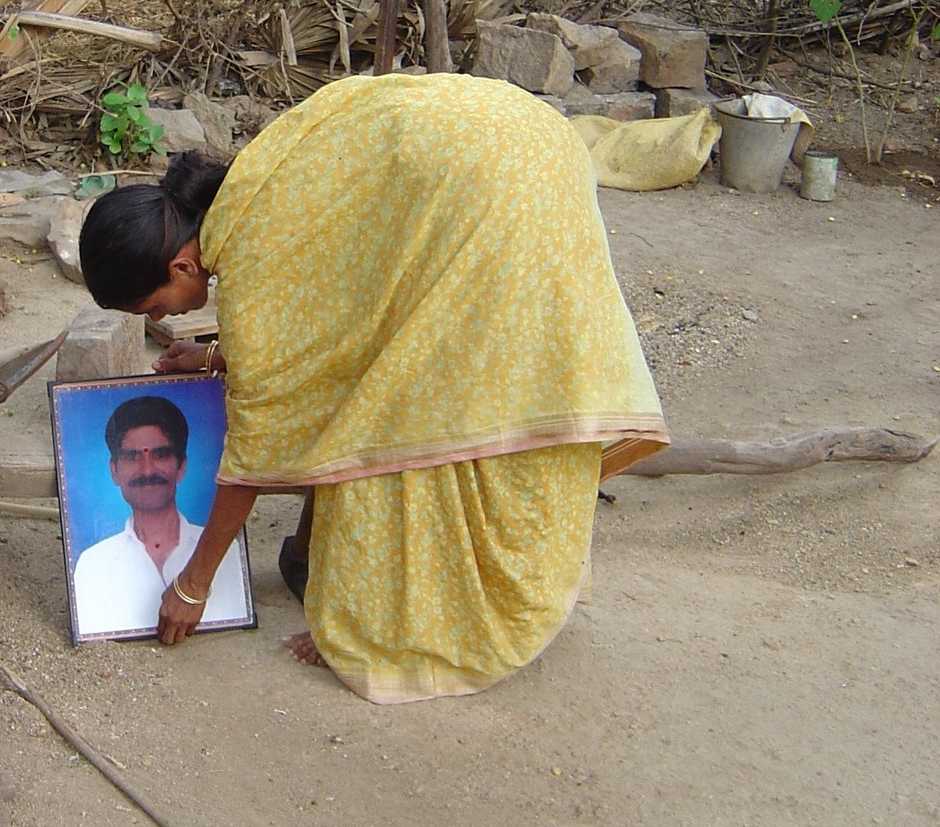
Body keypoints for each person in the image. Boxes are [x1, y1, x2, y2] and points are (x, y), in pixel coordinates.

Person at [78, 72, 668, 704]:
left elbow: (251, 458)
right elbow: (338, 326)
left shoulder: (250, 263)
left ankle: (423, 625)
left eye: (156, 306)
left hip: (490, 189)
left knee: (420, 399)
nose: (163, 322)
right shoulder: (251, 188)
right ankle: (312, 561)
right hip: (528, 136)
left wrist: (193, 585)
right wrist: (224, 355)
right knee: (390, 371)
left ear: (182, 265)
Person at [70, 394, 249, 637]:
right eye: (133, 457)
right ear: (114, 471)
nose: (147, 470)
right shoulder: (93, 565)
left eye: (161, 454)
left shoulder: (225, 555)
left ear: (182, 466)